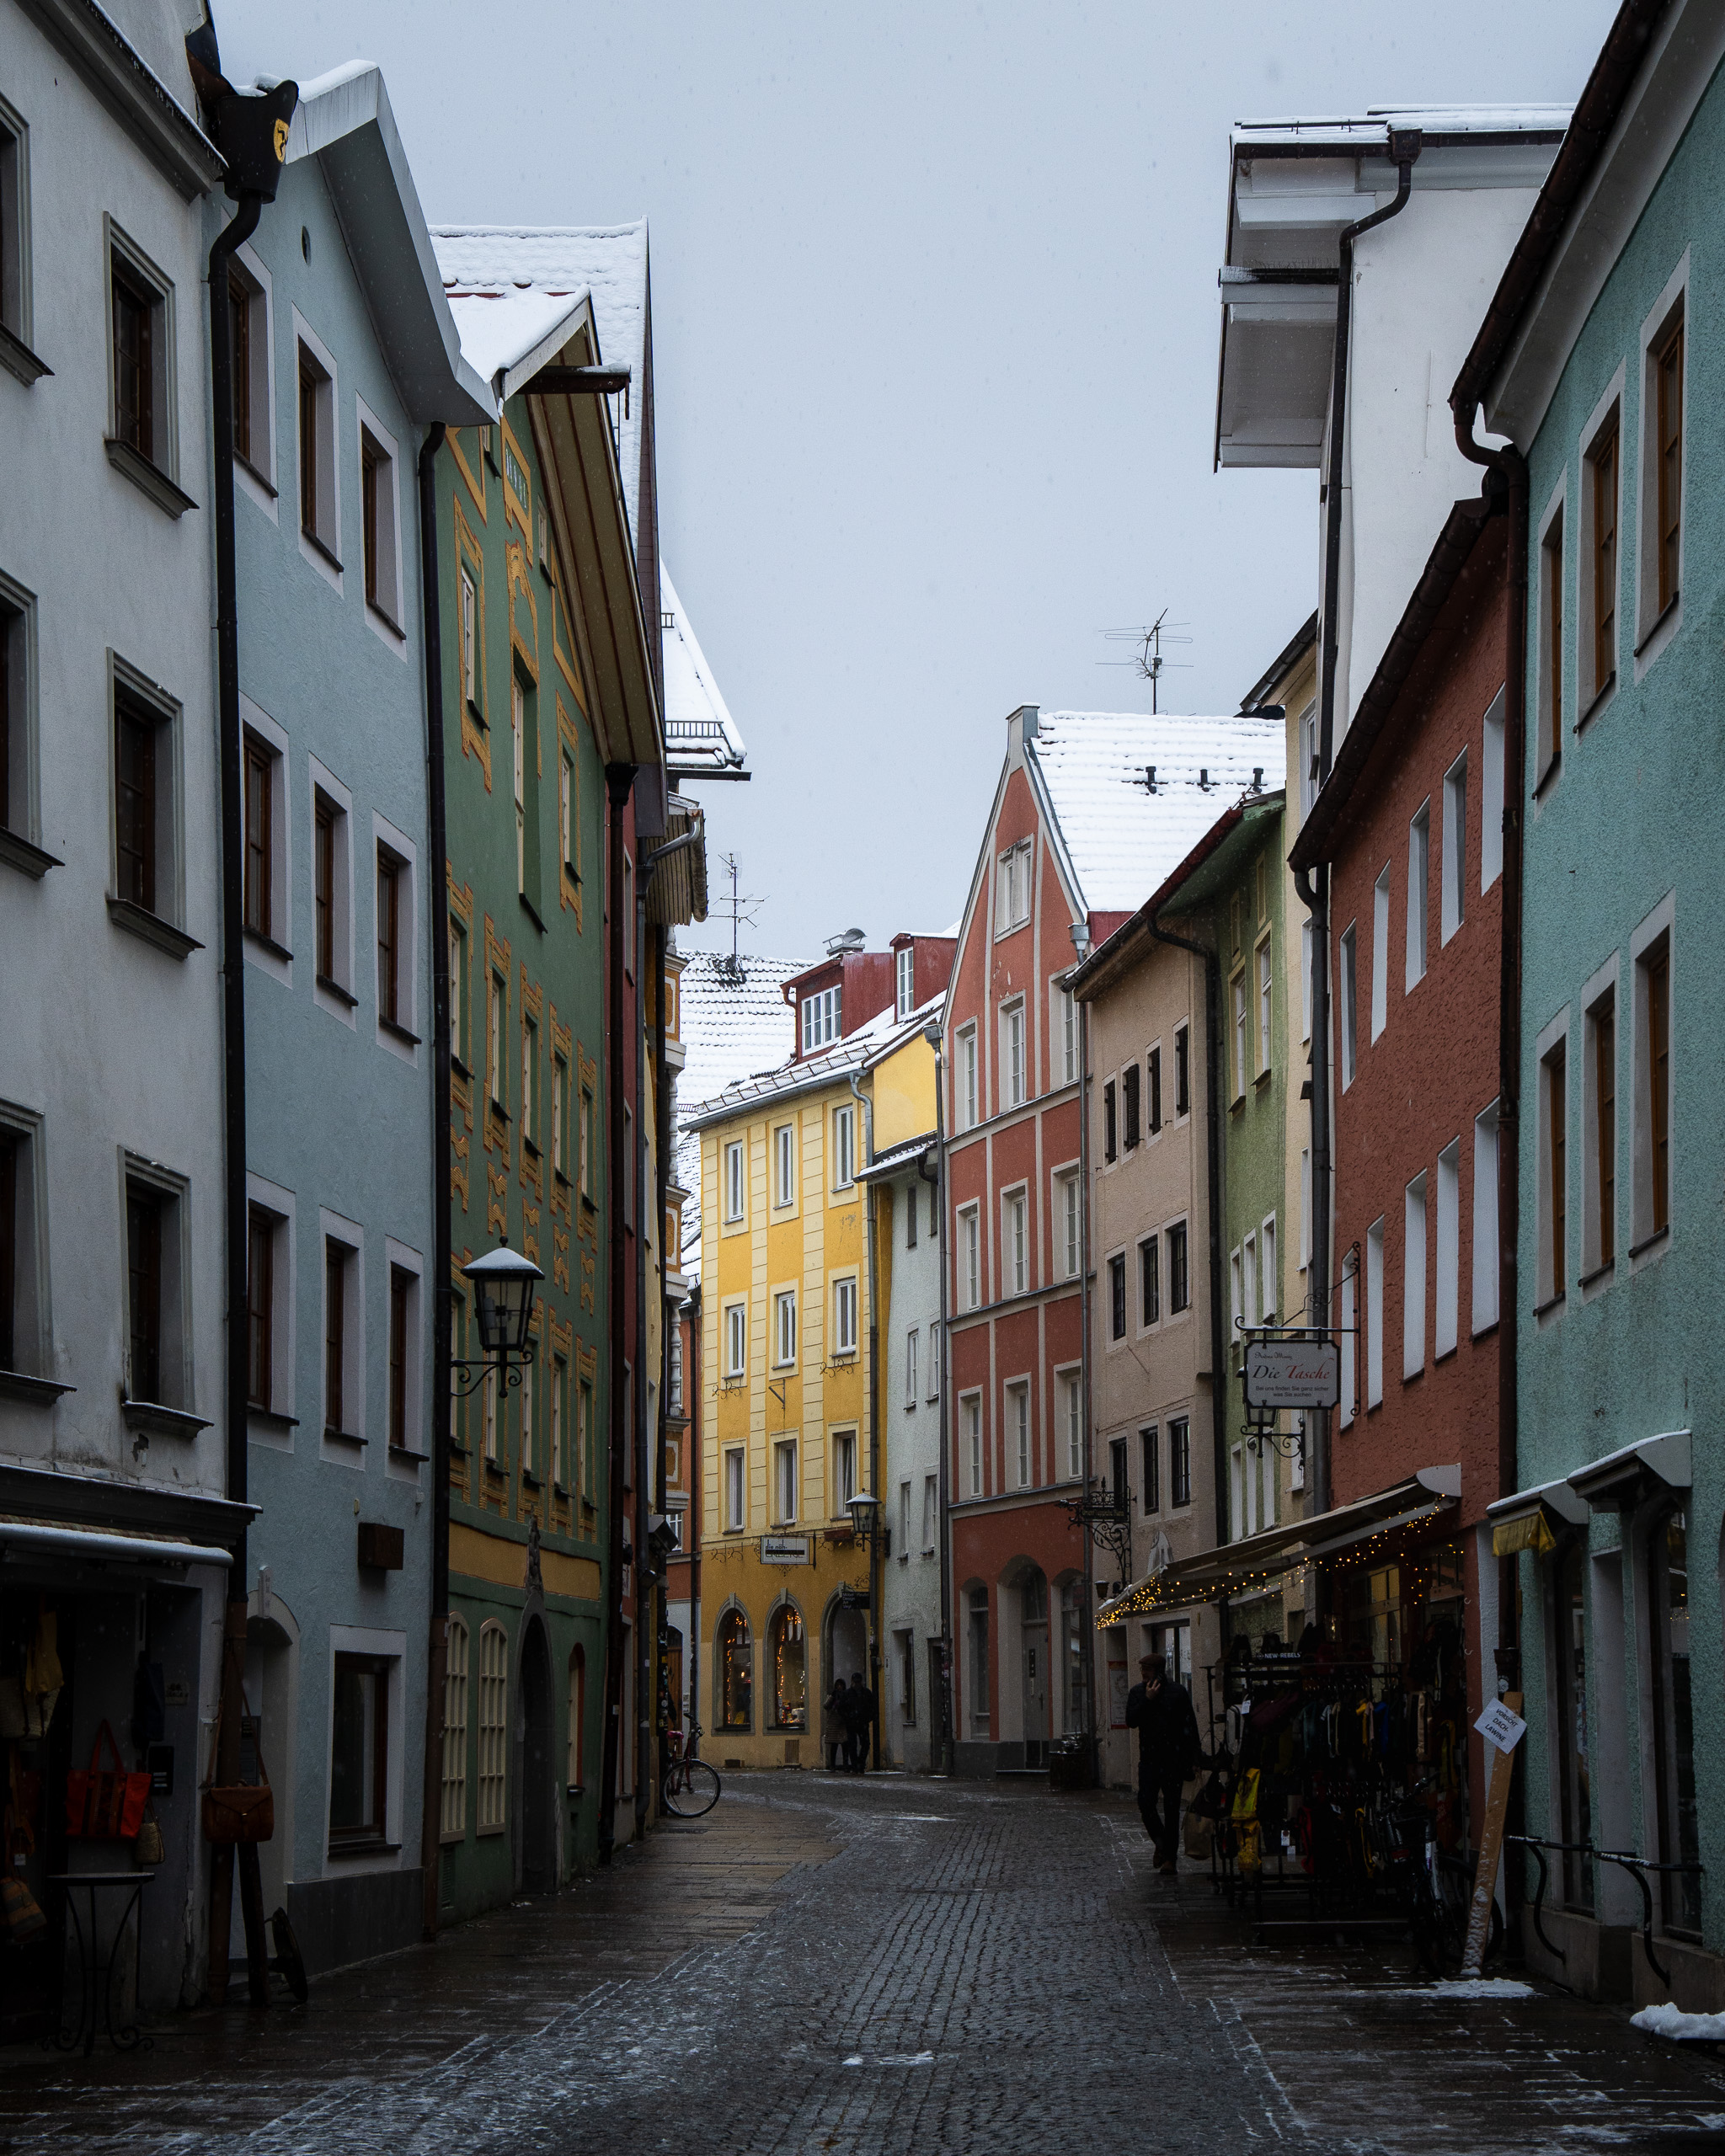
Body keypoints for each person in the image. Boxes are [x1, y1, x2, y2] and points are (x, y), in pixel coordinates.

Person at [1124, 1651, 1200, 1875]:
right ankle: (1162, 1843)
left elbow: (1190, 1726)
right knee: (1146, 1804)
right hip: (1149, 1760)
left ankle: (1170, 1859)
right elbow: (1131, 1720)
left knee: (1172, 1810)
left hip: (1173, 1760)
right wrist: (1147, 1700)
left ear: (1158, 1672)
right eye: (1142, 1670)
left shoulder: (1177, 1692)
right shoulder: (1138, 1693)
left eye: (1147, 1670)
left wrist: (1195, 1757)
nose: (1143, 1674)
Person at [841, 1671, 875, 1774]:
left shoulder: (866, 1693)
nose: (857, 1684)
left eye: (858, 1682)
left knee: (865, 1744)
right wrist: (848, 1718)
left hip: (862, 1722)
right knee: (853, 1745)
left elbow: (872, 1707)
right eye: (855, 1682)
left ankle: (859, 1764)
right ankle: (856, 1765)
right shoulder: (848, 1694)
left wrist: (868, 1718)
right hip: (852, 1723)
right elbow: (841, 1708)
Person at [821, 1683, 848, 1772]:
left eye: (841, 1685)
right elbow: (826, 1706)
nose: (839, 1687)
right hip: (834, 1724)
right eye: (838, 1685)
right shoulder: (833, 1697)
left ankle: (845, 1765)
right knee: (834, 1746)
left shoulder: (845, 1696)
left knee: (844, 1745)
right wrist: (832, 1697)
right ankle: (833, 1765)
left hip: (842, 1723)